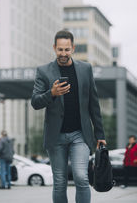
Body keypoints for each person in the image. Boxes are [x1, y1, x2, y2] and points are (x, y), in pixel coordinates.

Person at [31, 30, 106, 203]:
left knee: (81, 177)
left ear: (72, 48)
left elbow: (93, 104)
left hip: (80, 134)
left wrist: (100, 135)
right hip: (56, 136)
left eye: (66, 49)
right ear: (54, 48)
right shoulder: (43, 71)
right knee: (59, 182)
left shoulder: (85, 69)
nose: (63, 54)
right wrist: (52, 93)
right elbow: (35, 102)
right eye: (60, 50)